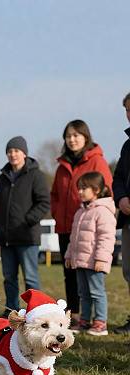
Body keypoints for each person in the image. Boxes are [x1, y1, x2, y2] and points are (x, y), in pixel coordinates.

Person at [51, 120, 112, 329]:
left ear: (86, 137)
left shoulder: (97, 162)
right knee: (70, 276)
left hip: (91, 229)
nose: (72, 139)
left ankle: (98, 319)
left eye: (76, 135)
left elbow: (107, 190)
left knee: (91, 281)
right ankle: (76, 316)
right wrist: (58, 215)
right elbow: (55, 194)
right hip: (67, 226)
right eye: (68, 136)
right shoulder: (62, 166)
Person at [0, 136, 50, 313]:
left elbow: (44, 203)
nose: (13, 154)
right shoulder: (2, 178)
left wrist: (27, 221)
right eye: (9, 151)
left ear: (24, 153)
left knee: (31, 278)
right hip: (7, 239)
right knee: (9, 277)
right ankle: (11, 310)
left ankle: (36, 311)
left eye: (16, 151)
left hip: (27, 237)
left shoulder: (36, 175)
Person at [65, 172, 116, 336]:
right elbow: (73, 238)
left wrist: (101, 258)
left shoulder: (103, 211)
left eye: (84, 188)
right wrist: (68, 255)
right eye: (79, 188)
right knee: (83, 293)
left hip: (94, 262)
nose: (79, 191)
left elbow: (106, 238)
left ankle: (100, 323)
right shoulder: (80, 212)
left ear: (97, 189)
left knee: (96, 292)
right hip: (80, 261)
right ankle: (84, 321)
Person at [113, 93, 130, 335]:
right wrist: (122, 197)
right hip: (128, 219)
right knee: (128, 272)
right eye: (127, 110)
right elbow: (117, 177)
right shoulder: (127, 146)